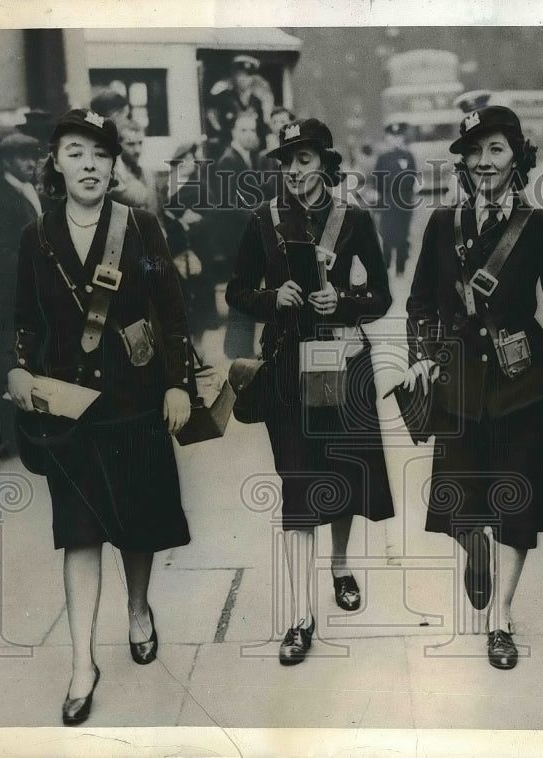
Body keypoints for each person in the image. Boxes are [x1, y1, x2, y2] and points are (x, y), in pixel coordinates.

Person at [6, 109, 194, 724]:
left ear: (114, 165)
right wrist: (16, 368)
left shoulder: (140, 227)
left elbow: (172, 311)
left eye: (100, 154)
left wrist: (178, 384)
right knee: (79, 534)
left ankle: (138, 609)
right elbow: (24, 321)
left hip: (137, 402)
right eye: (76, 152)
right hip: (70, 410)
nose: (89, 164)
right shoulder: (36, 238)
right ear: (56, 163)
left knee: (138, 527)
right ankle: (82, 661)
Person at [402, 106, 543, 670]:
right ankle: (476, 552)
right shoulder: (442, 224)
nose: (484, 162)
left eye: (496, 150)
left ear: (517, 158)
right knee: (460, 509)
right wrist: (422, 358)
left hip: (523, 386)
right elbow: (419, 304)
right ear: (462, 162)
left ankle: (501, 618)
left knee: (516, 505)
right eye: (474, 152)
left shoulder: (540, 228)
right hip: (458, 387)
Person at [226, 118, 394, 665]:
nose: (294, 171)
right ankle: (301, 617)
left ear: (325, 161)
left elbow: (383, 296)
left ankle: (340, 564)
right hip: (286, 368)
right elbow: (236, 292)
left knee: (342, 473)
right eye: (287, 161)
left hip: (341, 359)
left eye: (304, 159)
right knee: (298, 486)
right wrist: (275, 297)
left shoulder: (354, 219)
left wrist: (341, 301)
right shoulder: (262, 220)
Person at [0, 133, 46, 453]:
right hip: (13, 292)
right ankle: (13, 438)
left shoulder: (28, 190)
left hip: (33, 288)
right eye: (23, 157)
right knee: (16, 361)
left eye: (33, 155)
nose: (31, 162)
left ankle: (34, 428)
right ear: (6, 162)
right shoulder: (0, 199)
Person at [216, 113, 264, 358]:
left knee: (248, 290)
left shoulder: (246, 158)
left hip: (246, 238)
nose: (249, 135)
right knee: (242, 291)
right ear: (233, 132)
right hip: (236, 239)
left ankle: (241, 349)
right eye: (243, 130)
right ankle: (237, 351)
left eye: (252, 130)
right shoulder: (228, 161)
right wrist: (258, 217)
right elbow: (227, 205)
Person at [160, 141, 219, 336]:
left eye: (192, 158)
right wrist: (179, 220)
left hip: (197, 250)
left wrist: (191, 222)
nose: (191, 162)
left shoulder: (200, 187)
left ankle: (199, 349)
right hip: (173, 249)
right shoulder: (165, 187)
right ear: (177, 163)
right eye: (186, 159)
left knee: (198, 304)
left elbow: (212, 218)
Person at [373, 121, 418, 275]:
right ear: (387, 138)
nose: (396, 140)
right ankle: (385, 266)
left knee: (402, 233)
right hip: (387, 200)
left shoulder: (408, 156)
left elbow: (411, 177)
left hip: (404, 200)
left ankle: (400, 267)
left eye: (398, 136)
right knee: (386, 233)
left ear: (402, 138)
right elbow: (377, 180)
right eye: (392, 136)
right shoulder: (383, 158)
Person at [204, 55, 268, 163]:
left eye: (247, 76)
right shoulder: (224, 98)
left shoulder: (256, 102)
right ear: (234, 76)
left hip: (251, 152)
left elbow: (260, 130)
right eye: (240, 75)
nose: (243, 79)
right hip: (227, 150)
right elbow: (213, 123)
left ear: (253, 78)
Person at [110, 119, 156, 212]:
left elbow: (154, 211)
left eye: (140, 143)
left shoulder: (147, 174)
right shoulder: (112, 174)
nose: (137, 150)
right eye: (131, 144)